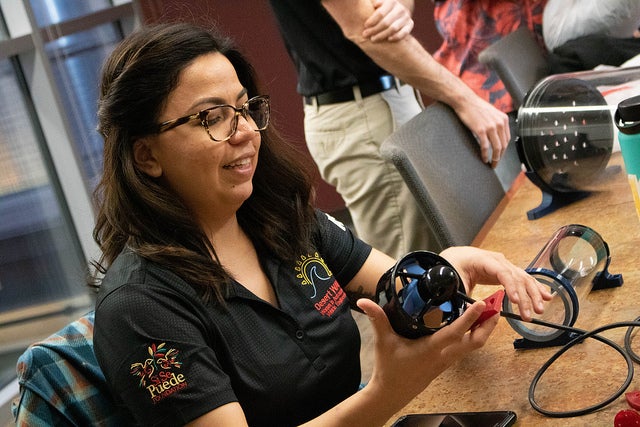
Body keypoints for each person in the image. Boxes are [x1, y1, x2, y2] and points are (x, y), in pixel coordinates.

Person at [90, 22, 550, 426]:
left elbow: (393, 291)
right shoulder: (139, 307)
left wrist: (446, 270)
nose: (248, 131)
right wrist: (386, 392)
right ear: (146, 155)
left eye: (245, 108)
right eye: (212, 118)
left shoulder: (282, 222)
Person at [267, 0, 510, 259]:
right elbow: (365, 29)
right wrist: (466, 100)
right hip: (361, 113)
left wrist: (399, 5)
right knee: (415, 270)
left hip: (389, 97)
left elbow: (383, 13)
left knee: (444, 256)